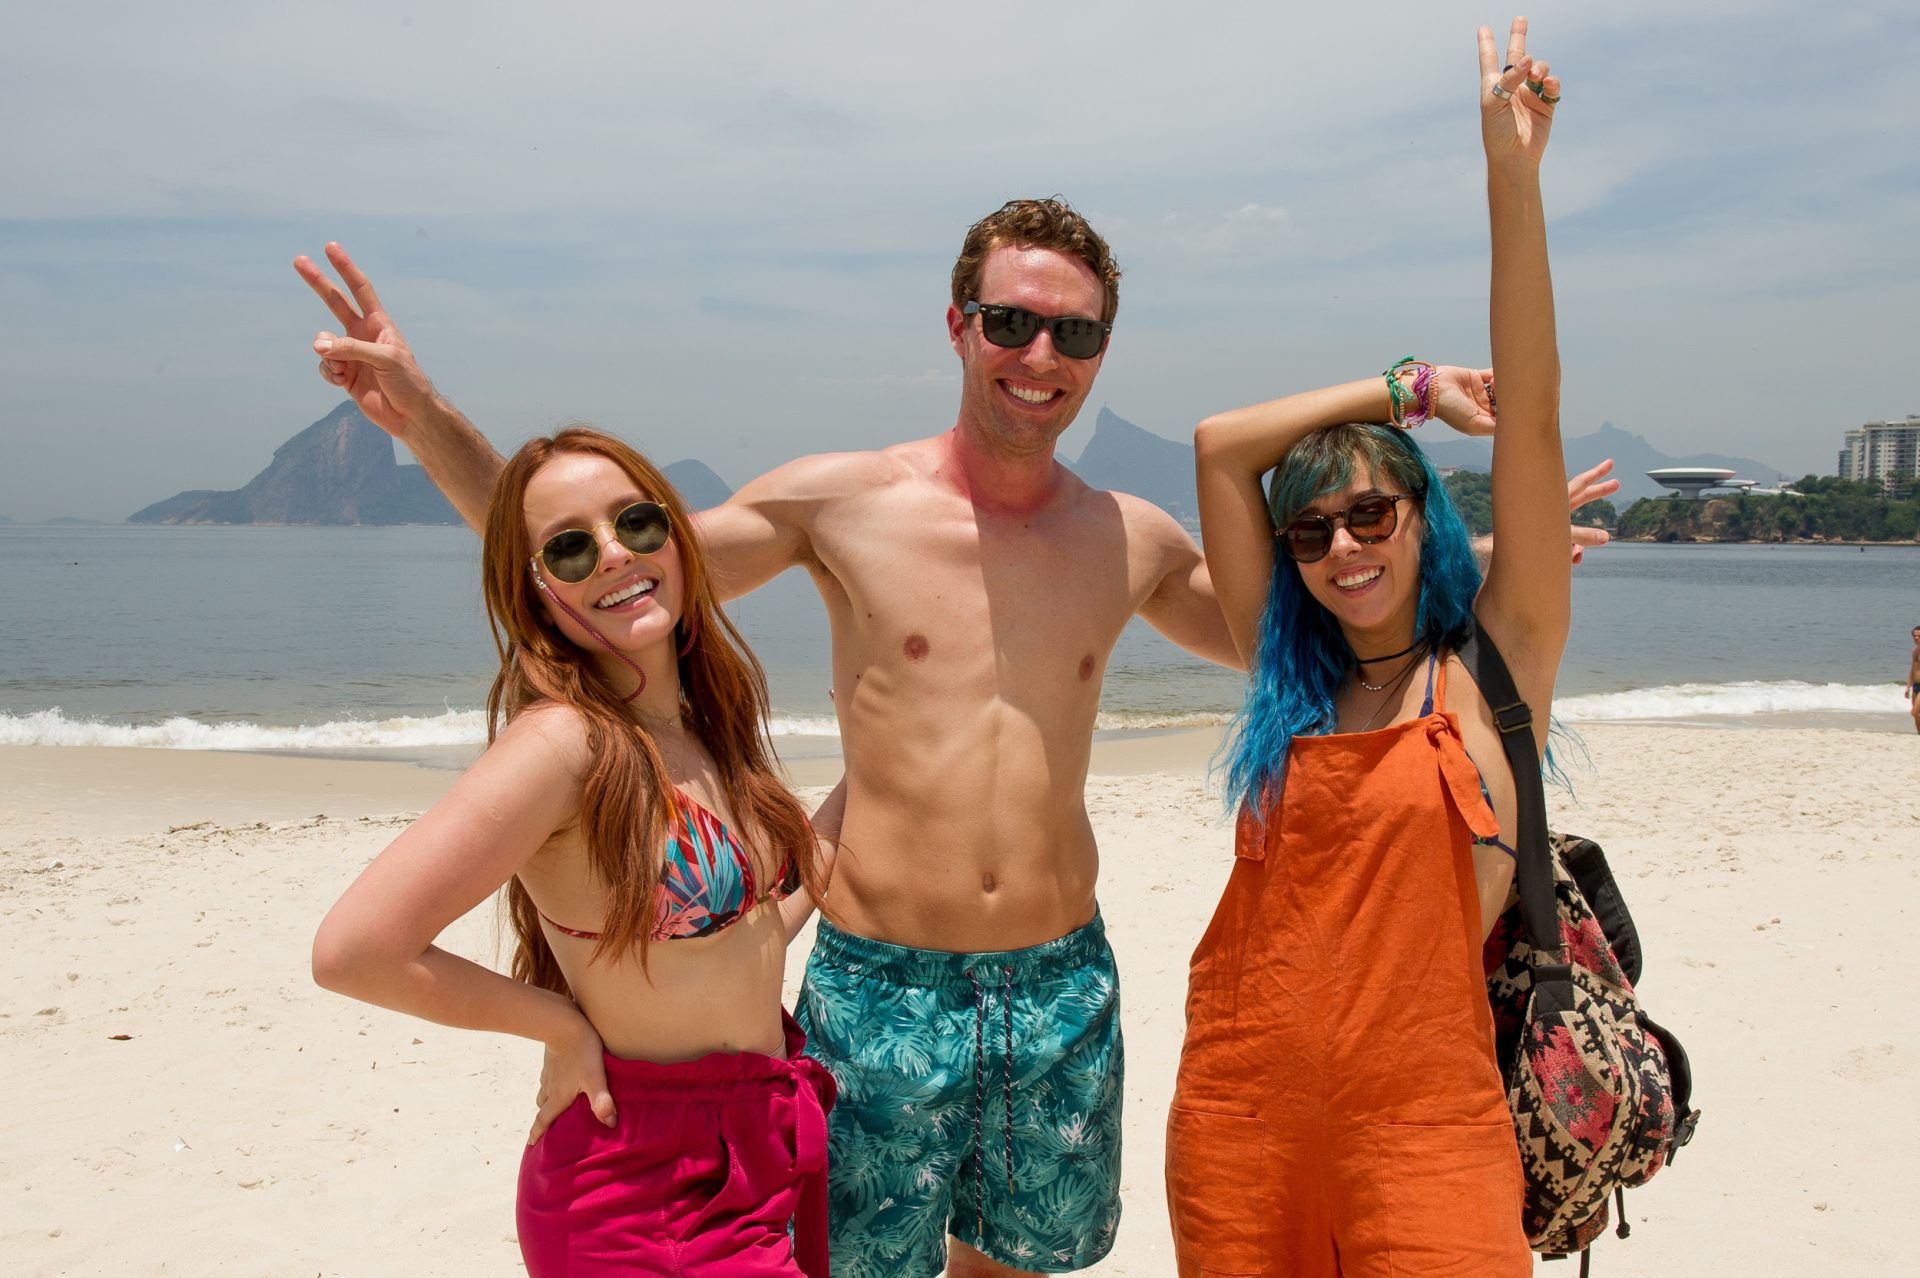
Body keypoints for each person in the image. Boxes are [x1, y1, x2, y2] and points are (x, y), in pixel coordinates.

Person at [294, 185, 1612, 1276]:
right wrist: (429, 424)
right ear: (960, 325)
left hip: (1059, 985)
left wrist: (1486, 566)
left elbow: (1327, 632)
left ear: (1102, 353)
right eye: (1012, 322)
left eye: (1075, 335)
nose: (1041, 358)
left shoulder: (1130, 540)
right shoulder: (841, 503)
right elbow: (599, 572)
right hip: (878, 986)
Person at [1166, 21, 1566, 1276]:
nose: (1342, 546)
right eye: (1312, 528)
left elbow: (1536, 414)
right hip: (1238, 1116)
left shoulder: (1498, 659)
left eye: (1372, 513)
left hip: (1427, 1128)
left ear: (1422, 520)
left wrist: (1512, 177)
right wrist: (1400, 388)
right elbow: (1221, 445)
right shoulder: (1291, 678)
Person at [311, 428, 838, 1277]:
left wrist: (884, 753)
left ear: (676, 537)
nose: (610, 555)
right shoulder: (564, 746)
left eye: (635, 522)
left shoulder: (700, 731)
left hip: (757, 1144)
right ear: (535, 592)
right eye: (567, 547)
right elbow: (356, 951)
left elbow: (754, 928)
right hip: (641, 1180)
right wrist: (556, 1025)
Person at [1908, 624, 1919, 734]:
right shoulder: (1915, 651)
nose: (1916, 638)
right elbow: (1912, 669)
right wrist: (1908, 687)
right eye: (1914, 636)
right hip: (1916, 685)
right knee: (1916, 715)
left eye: (1919, 636)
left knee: (1914, 712)